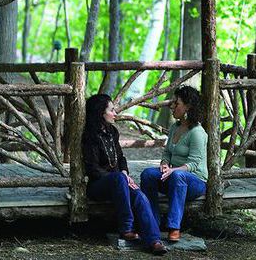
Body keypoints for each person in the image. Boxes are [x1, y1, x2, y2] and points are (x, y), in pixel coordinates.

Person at [83, 93, 167, 255]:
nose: (115, 114)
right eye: (112, 110)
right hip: (98, 187)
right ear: (101, 112)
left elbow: (121, 158)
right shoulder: (90, 135)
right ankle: (126, 227)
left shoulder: (112, 131)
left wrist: (124, 173)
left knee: (140, 196)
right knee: (120, 180)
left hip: (119, 183)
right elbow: (92, 168)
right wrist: (119, 178)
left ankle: (154, 241)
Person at [141, 86, 208, 243]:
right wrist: (165, 165)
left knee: (178, 176)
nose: (172, 106)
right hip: (173, 176)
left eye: (176, 103)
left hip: (195, 182)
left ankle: (173, 227)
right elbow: (167, 154)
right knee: (148, 174)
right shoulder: (175, 127)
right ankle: (153, 222)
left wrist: (173, 170)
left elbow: (193, 163)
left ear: (188, 106)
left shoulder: (197, 132)